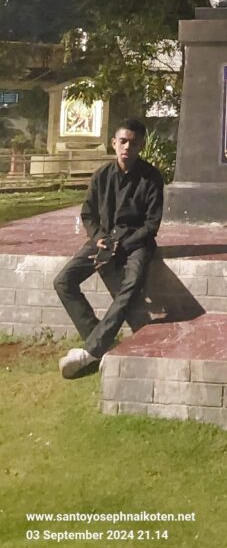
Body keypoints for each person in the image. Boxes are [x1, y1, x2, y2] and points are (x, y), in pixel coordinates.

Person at [54, 118, 164, 379]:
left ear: (141, 146)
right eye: (122, 141)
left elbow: (151, 225)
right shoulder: (101, 175)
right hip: (103, 239)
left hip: (136, 242)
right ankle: (101, 343)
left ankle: (91, 351)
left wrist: (123, 246)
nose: (127, 147)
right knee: (63, 281)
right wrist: (98, 237)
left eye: (133, 143)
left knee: (131, 284)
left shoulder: (151, 178)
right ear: (113, 143)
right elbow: (88, 214)